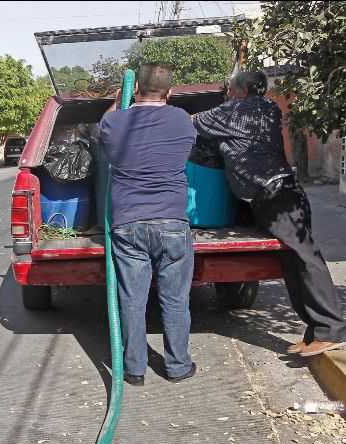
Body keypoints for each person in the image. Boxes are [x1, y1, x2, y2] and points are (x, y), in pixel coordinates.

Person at [192, 70, 346, 357]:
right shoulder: (269, 106)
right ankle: (315, 332)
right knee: (292, 262)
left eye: (231, 89)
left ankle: (331, 329)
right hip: (278, 192)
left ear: (244, 90)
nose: (227, 93)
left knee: (306, 259)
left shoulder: (237, 109)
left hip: (275, 194)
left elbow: (197, 121)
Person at [100, 62, 197, 386]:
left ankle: (134, 370)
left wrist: (119, 100)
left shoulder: (115, 121)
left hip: (128, 224)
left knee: (132, 299)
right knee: (175, 299)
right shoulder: (182, 120)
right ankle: (178, 366)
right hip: (172, 223)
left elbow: (104, 126)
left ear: (136, 89)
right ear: (169, 92)